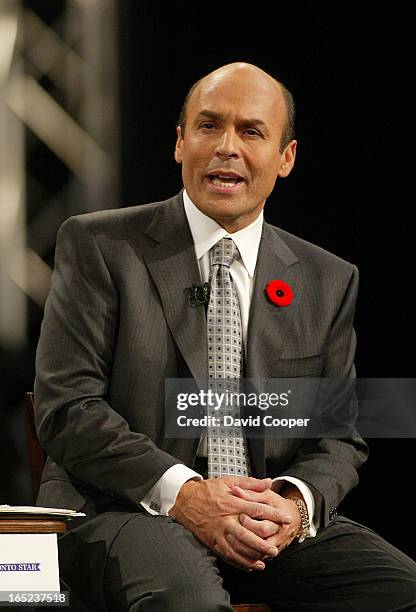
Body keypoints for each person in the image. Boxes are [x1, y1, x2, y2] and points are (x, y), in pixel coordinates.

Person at [34, 62, 416, 611]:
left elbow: (338, 434)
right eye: (209, 127)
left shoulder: (327, 278)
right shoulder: (100, 246)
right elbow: (67, 408)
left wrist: (294, 505)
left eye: (252, 131)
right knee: (188, 601)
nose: (226, 147)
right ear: (180, 143)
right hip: (124, 510)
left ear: (286, 158)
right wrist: (187, 494)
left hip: (263, 526)